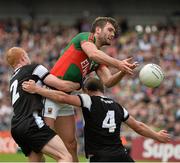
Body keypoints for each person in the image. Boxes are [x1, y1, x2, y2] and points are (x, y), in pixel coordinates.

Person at [45, 16, 138, 161]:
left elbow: (108, 81)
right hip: (49, 92)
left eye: (114, 32)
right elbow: (93, 53)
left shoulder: (98, 61)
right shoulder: (85, 38)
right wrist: (119, 63)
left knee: (71, 143)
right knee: (42, 139)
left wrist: (123, 71)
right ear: (98, 30)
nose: (113, 34)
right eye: (110, 29)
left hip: (65, 97)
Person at [22, 77, 171, 162]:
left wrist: (38, 89)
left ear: (87, 90)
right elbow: (138, 126)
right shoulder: (117, 106)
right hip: (122, 156)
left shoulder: (88, 100)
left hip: (101, 158)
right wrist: (157, 135)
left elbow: (63, 97)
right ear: (103, 89)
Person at [5, 47, 80, 162]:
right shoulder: (34, 68)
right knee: (65, 157)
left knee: (38, 160)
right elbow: (61, 85)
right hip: (31, 123)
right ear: (23, 57)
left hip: (16, 127)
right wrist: (78, 85)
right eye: (27, 55)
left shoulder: (13, 79)